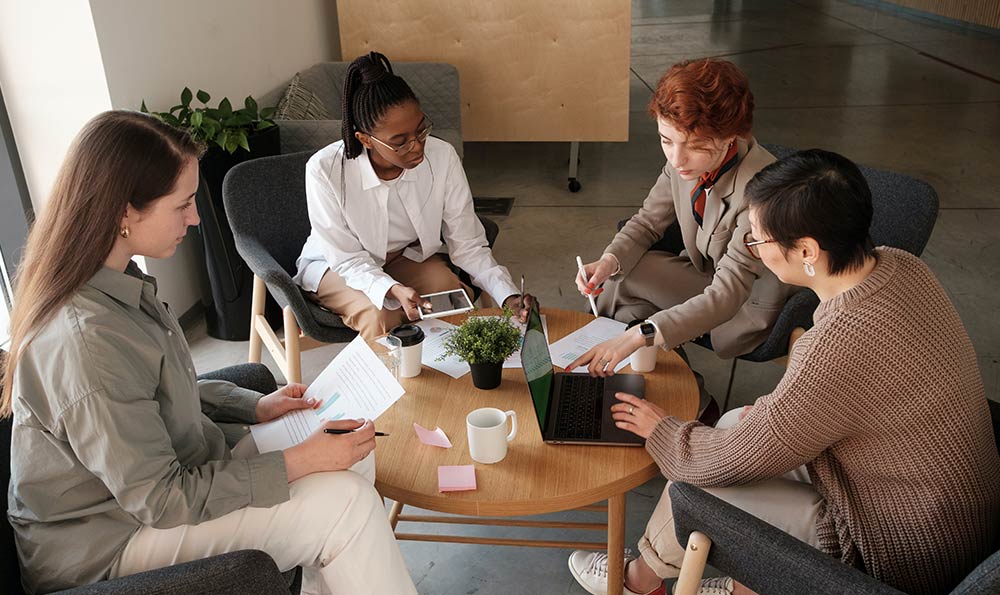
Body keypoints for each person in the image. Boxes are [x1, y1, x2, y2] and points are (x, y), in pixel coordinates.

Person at [4, 110, 417, 595]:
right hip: (112, 540)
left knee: (349, 457)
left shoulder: (117, 284)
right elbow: (161, 499)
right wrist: (299, 461)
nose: (196, 218)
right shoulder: (86, 341)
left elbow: (157, 394)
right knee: (346, 505)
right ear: (124, 212)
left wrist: (253, 405)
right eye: (181, 205)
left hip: (164, 483)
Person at [567, 150, 1000, 595]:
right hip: (946, 510)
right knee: (736, 422)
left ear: (807, 250)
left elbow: (723, 459)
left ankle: (637, 584)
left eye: (757, 240)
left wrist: (660, 429)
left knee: (696, 487)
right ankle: (739, 586)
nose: (752, 248)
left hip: (900, 552)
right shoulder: (900, 265)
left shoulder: (838, 346)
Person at [570, 59, 795, 419]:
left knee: (628, 312)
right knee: (619, 280)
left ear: (731, 136)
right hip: (710, 279)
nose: (677, 158)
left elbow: (727, 294)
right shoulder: (686, 160)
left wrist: (638, 336)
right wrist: (609, 261)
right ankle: (679, 391)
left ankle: (687, 402)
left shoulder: (762, 192)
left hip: (745, 303)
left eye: (693, 145)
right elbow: (646, 222)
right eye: (665, 140)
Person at [294, 51, 534, 339]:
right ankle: (393, 383)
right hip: (337, 266)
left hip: (403, 257)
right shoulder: (325, 170)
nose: (417, 147)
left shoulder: (442, 156)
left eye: (421, 131)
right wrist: (390, 288)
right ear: (365, 140)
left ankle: (455, 381)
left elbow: (468, 244)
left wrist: (507, 295)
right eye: (400, 142)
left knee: (454, 297)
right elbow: (345, 259)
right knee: (381, 312)